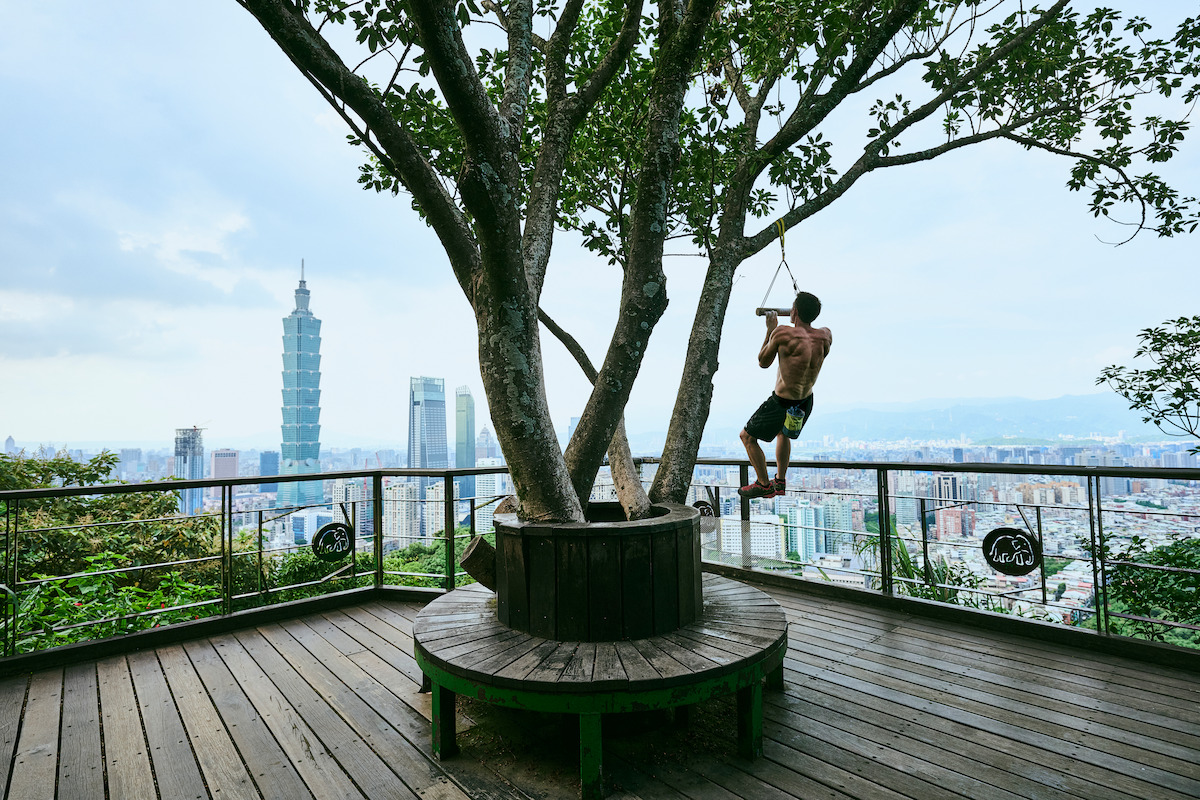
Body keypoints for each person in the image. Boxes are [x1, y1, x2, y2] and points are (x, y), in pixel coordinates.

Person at [738, 291, 832, 498]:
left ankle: (764, 484)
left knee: (747, 437)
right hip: (805, 401)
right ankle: (780, 481)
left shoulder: (783, 333)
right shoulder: (825, 335)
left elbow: (763, 362)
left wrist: (770, 331)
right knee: (783, 434)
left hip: (781, 401)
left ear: (795, 311)